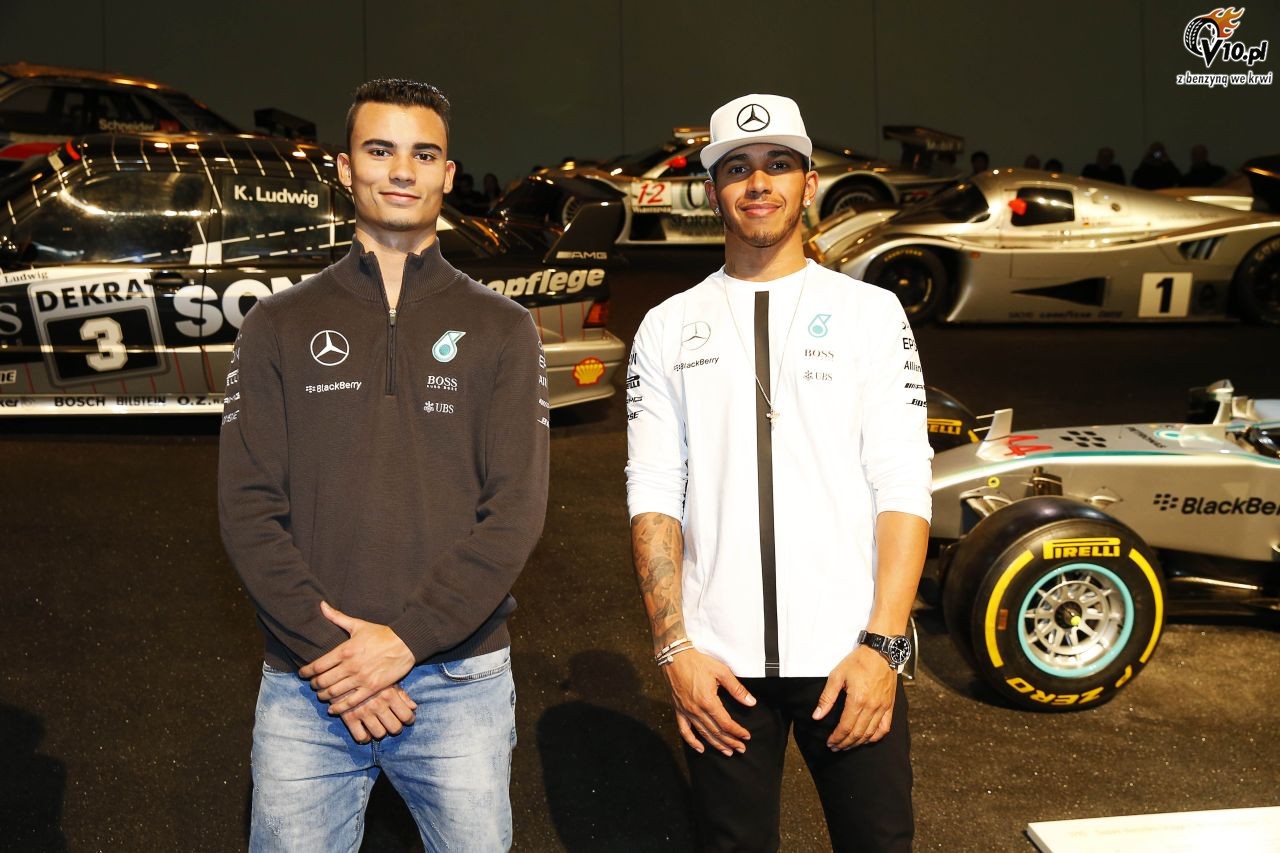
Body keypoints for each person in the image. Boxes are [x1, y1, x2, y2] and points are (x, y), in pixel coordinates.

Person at [218, 78, 550, 852]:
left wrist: (403, 641)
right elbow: (247, 508)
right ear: (345, 168)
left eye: (423, 154)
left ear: (448, 173)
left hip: (459, 682)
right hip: (310, 682)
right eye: (380, 150)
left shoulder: (504, 328)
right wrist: (335, 656)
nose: (402, 170)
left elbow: (515, 513)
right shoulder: (275, 324)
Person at [625, 93, 932, 852]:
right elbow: (654, 491)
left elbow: (902, 483)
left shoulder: (871, 313)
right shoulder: (667, 326)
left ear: (809, 184)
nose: (758, 182)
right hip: (720, 667)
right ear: (712, 191)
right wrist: (675, 650)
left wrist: (885, 646)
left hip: (851, 655)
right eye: (737, 168)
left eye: (778, 164)